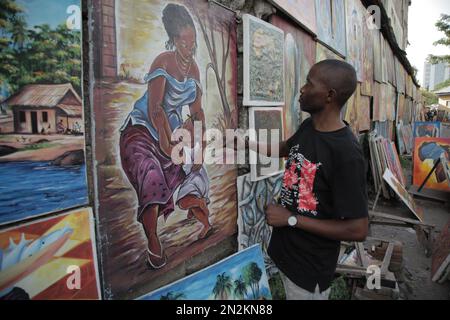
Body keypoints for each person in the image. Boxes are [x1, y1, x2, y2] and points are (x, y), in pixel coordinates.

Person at [242, 60, 369, 300]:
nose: (302, 89)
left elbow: (358, 228)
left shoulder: (346, 154)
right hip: (288, 255)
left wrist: (290, 219)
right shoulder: (310, 126)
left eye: (309, 84)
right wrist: (248, 143)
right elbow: (286, 148)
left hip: (309, 270)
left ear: (329, 95)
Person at [119, 3, 211, 270]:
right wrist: (167, 138)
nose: (190, 46)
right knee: (151, 176)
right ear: (173, 39)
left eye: (192, 40)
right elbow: (155, 108)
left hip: (171, 133)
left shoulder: (193, 69)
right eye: (184, 41)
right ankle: (152, 240)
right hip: (142, 131)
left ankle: (202, 219)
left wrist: (200, 147)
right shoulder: (163, 61)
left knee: (189, 176)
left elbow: (197, 112)